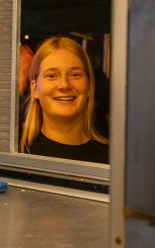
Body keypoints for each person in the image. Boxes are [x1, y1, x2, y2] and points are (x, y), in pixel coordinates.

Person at [19, 36, 109, 164]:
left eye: (75, 74)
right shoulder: (17, 153)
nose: (64, 85)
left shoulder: (114, 159)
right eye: (51, 76)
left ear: (89, 86)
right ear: (34, 89)